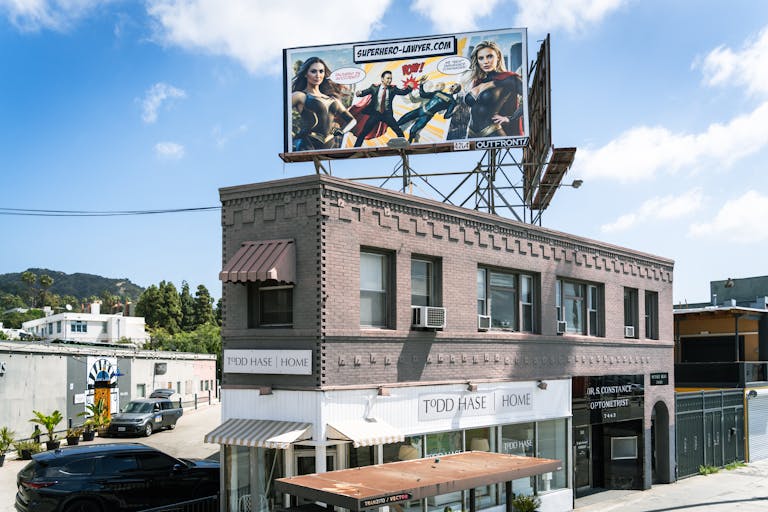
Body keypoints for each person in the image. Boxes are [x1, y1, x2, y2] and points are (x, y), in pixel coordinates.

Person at [291, 57, 356, 152]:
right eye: (313, 71)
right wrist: (291, 135)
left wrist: (340, 132)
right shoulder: (300, 96)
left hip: (330, 144)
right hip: (308, 143)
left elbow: (352, 120)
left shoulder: (333, 100)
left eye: (321, 71)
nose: (318, 75)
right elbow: (281, 115)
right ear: (305, 74)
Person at [463, 40, 524, 138]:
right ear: (477, 61)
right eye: (481, 58)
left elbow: (530, 97)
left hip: (492, 131)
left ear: (498, 57)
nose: (485, 61)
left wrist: (510, 119)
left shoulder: (509, 78)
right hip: (470, 132)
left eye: (490, 56)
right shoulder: (477, 82)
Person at [351, 70, 414, 147]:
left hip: (387, 115)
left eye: (391, 78)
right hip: (375, 114)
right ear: (382, 79)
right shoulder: (374, 87)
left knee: (398, 130)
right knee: (364, 132)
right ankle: (356, 148)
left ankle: (404, 145)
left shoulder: (393, 89)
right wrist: (359, 93)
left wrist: (410, 87)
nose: (389, 80)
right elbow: (365, 92)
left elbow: (403, 92)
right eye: (387, 78)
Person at [398, 78, 461, 143]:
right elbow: (423, 95)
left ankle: (410, 143)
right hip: (420, 110)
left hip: (426, 116)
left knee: (412, 131)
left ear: (456, 91)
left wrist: (454, 111)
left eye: (455, 88)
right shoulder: (438, 92)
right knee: (402, 120)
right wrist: (421, 84)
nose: (453, 88)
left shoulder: (452, 102)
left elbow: (446, 116)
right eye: (453, 86)